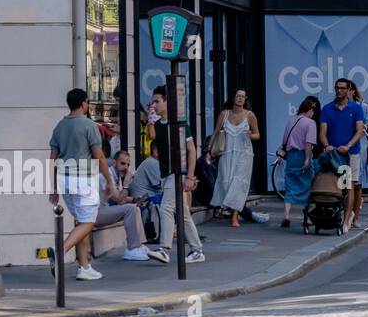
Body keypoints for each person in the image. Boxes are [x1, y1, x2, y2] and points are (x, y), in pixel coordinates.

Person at [47, 89, 119, 280]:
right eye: (87, 102)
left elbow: (52, 158)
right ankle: (59, 251)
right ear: (83, 103)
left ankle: (84, 267)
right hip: (83, 180)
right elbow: (99, 156)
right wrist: (110, 181)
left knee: (81, 222)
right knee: (88, 222)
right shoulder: (89, 126)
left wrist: (53, 187)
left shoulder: (60, 126)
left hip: (64, 179)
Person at [146, 85, 205, 265]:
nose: (154, 105)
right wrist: (149, 119)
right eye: (153, 101)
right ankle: (197, 250)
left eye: (157, 101)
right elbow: (152, 137)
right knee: (183, 214)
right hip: (166, 174)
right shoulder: (158, 124)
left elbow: (192, 151)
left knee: (165, 208)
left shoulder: (179, 124)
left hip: (177, 173)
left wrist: (190, 176)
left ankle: (164, 250)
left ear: (167, 101)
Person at [319, 78, 367, 233]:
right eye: (337, 88)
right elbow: (322, 133)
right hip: (333, 154)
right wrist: (327, 146)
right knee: (334, 186)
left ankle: (346, 220)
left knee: (348, 186)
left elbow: (359, 131)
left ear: (348, 90)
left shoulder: (356, 108)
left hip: (350, 153)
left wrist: (348, 146)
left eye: (342, 88)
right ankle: (335, 215)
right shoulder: (327, 109)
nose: (339, 91)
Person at [210, 89, 259, 228]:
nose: (240, 98)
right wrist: (209, 149)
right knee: (226, 182)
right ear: (233, 98)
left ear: (245, 100)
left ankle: (234, 217)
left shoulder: (250, 115)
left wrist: (251, 134)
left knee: (237, 184)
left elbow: (257, 134)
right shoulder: (224, 114)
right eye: (238, 96)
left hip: (244, 154)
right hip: (227, 153)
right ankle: (227, 210)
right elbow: (215, 133)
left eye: (243, 96)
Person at [94, 161, 156, 262]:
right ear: (115, 163)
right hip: (95, 214)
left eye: (128, 164)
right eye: (122, 163)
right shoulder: (106, 176)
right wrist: (127, 184)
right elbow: (120, 200)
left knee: (135, 208)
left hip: (102, 210)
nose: (126, 168)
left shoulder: (116, 176)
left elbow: (118, 196)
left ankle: (138, 246)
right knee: (130, 209)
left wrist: (135, 200)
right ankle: (132, 249)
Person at [280, 96, 320, 228]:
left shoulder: (291, 121)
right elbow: (309, 143)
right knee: (308, 185)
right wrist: (307, 159)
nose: (313, 114)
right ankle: (308, 218)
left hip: (291, 156)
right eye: (313, 111)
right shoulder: (310, 123)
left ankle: (286, 215)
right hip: (303, 155)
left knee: (290, 184)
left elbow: (284, 141)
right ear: (309, 110)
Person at [350, 83, 368, 225]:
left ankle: (355, 217)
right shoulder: (337, 108)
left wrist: (362, 127)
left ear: (353, 91)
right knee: (343, 183)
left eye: (346, 89)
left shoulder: (363, 107)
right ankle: (346, 215)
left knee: (357, 183)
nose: (342, 92)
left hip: (359, 149)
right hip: (343, 148)